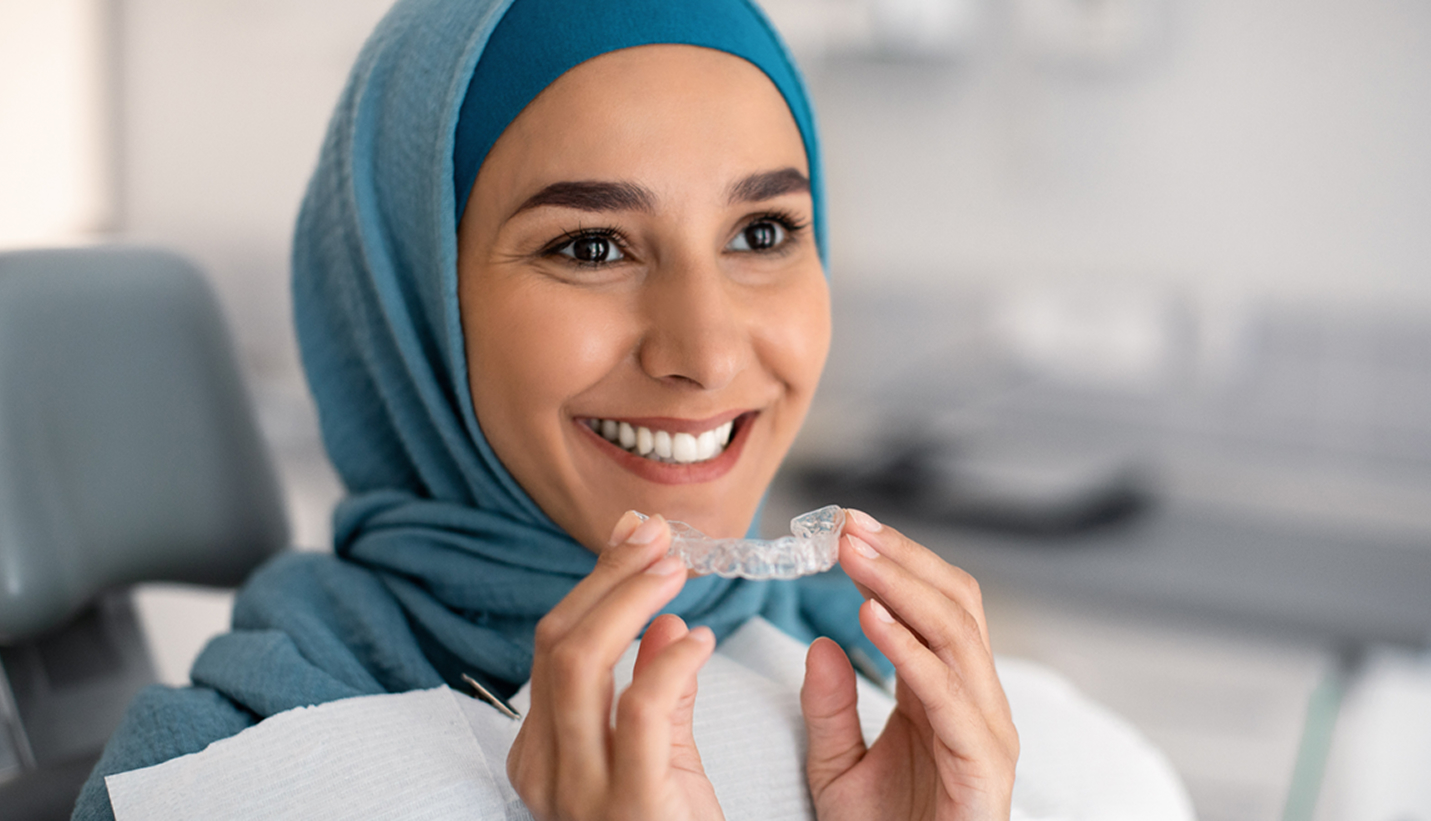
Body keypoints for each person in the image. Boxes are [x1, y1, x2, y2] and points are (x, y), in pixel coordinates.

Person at [74, 0, 1184, 819]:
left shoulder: (925, 725)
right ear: (412, 303)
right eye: (590, 245)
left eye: (762, 233)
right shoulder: (219, 777)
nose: (704, 353)